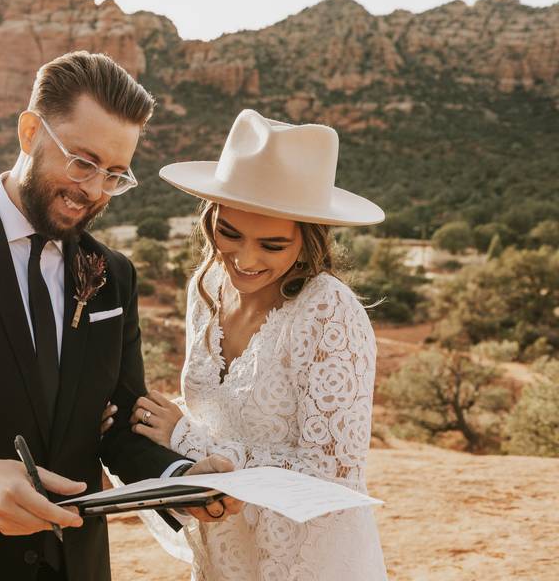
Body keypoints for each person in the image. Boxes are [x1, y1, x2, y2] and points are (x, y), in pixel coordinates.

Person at [0, 51, 241, 581]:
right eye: (82, 161)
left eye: (116, 175)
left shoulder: (114, 274)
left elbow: (119, 424)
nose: (95, 190)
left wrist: (181, 477)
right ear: (30, 131)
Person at [122, 109, 389, 580]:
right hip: (225, 550)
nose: (244, 259)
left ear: (308, 240)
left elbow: (329, 475)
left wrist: (185, 435)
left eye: (272, 244)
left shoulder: (329, 312)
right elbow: (227, 407)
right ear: (211, 217)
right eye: (229, 233)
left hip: (305, 560)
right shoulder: (205, 288)